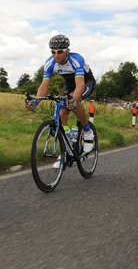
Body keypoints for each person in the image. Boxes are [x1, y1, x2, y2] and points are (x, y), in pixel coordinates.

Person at [26, 34, 96, 168]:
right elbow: (44, 85)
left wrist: (73, 100)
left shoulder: (77, 60)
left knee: (75, 102)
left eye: (59, 51)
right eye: (53, 52)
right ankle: (67, 144)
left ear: (67, 51)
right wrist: (35, 102)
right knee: (62, 111)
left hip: (85, 82)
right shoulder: (50, 63)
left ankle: (87, 131)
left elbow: (80, 85)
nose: (56, 55)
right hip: (69, 84)